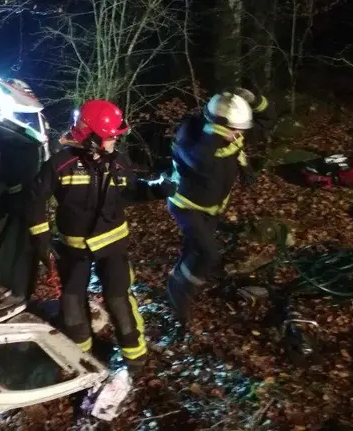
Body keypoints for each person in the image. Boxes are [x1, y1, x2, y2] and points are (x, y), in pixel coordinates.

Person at [26, 99, 174, 372]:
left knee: (118, 298)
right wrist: (42, 238)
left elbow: (128, 192)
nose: (114, 143)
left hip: (114, 244)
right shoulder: (61, 164)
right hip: (74, 249)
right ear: (91, 138)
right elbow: (35, 200)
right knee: (72, 299)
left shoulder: (119, 162)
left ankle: (135, 358)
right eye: (110, 138)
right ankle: (80, 357)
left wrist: (155, 190)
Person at [166, 91, 258, 324]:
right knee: (209, 253)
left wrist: (245, 166)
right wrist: (215, 133)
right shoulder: (191, 134)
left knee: (194, 250)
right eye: (234, 129)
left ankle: (179, 279)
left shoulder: (228, 135)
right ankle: (180, 292)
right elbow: (200, 163)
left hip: (212, 207)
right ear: (217, 124)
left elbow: (237, 147)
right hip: (186, 205)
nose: (239, 134)